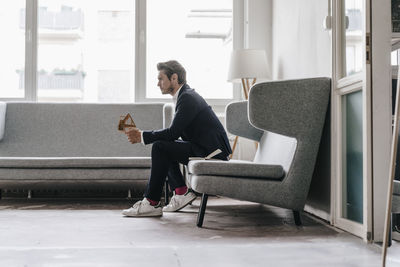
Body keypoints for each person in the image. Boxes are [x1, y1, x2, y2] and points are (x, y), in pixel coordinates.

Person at [122, 60, 232, 217]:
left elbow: (173, 132)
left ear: (174, 78)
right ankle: (181, 193)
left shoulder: (187, 98)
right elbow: (173, 135)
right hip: (205, 148)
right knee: (164, 146)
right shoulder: (184, 96)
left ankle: (151, 202)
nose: (158, 84)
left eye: (161, 79)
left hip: (212, 153)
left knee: (160, 147)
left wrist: (141, 136)